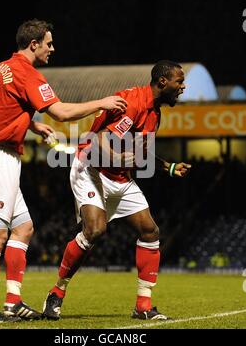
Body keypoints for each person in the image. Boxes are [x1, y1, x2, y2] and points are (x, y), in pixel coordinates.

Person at [0, 19, 127, 323]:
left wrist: (32, 125)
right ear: (34, 44)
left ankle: (13, 303)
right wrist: (102, 104)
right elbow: (62, 112)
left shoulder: (2, 67)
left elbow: (2, 107)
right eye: (49, 43)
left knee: (24, 228)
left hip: (3, 158)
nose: (52, 49)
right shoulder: (27, 72)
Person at [42, 60, 191, 321]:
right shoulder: (132, 103)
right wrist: (121, 160)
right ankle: (57, 292)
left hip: (119, 179)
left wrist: (167, 167)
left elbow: (140, 153)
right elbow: (98, 139)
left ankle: (143, 306)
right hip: (90, 170)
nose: (183, 86)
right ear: (163, 82)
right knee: (94, 231)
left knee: (150, 231)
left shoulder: (154, 114)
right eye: (179, 81)